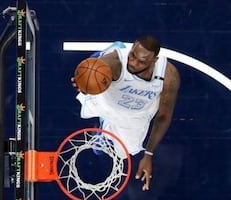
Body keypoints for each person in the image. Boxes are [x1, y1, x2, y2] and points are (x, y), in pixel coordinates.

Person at [71, 35, 181, 191]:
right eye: (132, 55)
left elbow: (164, 116)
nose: (133, 62)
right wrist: (85, 81)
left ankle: (105, 131)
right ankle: (104, 53)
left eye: (141, 61)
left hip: (137, 112)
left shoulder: (169, 76)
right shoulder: (115, 63)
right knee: (95, 71)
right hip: (107, 101)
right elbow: (90, 74)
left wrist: (148, 154)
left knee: (124, 152)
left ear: (154, 61)